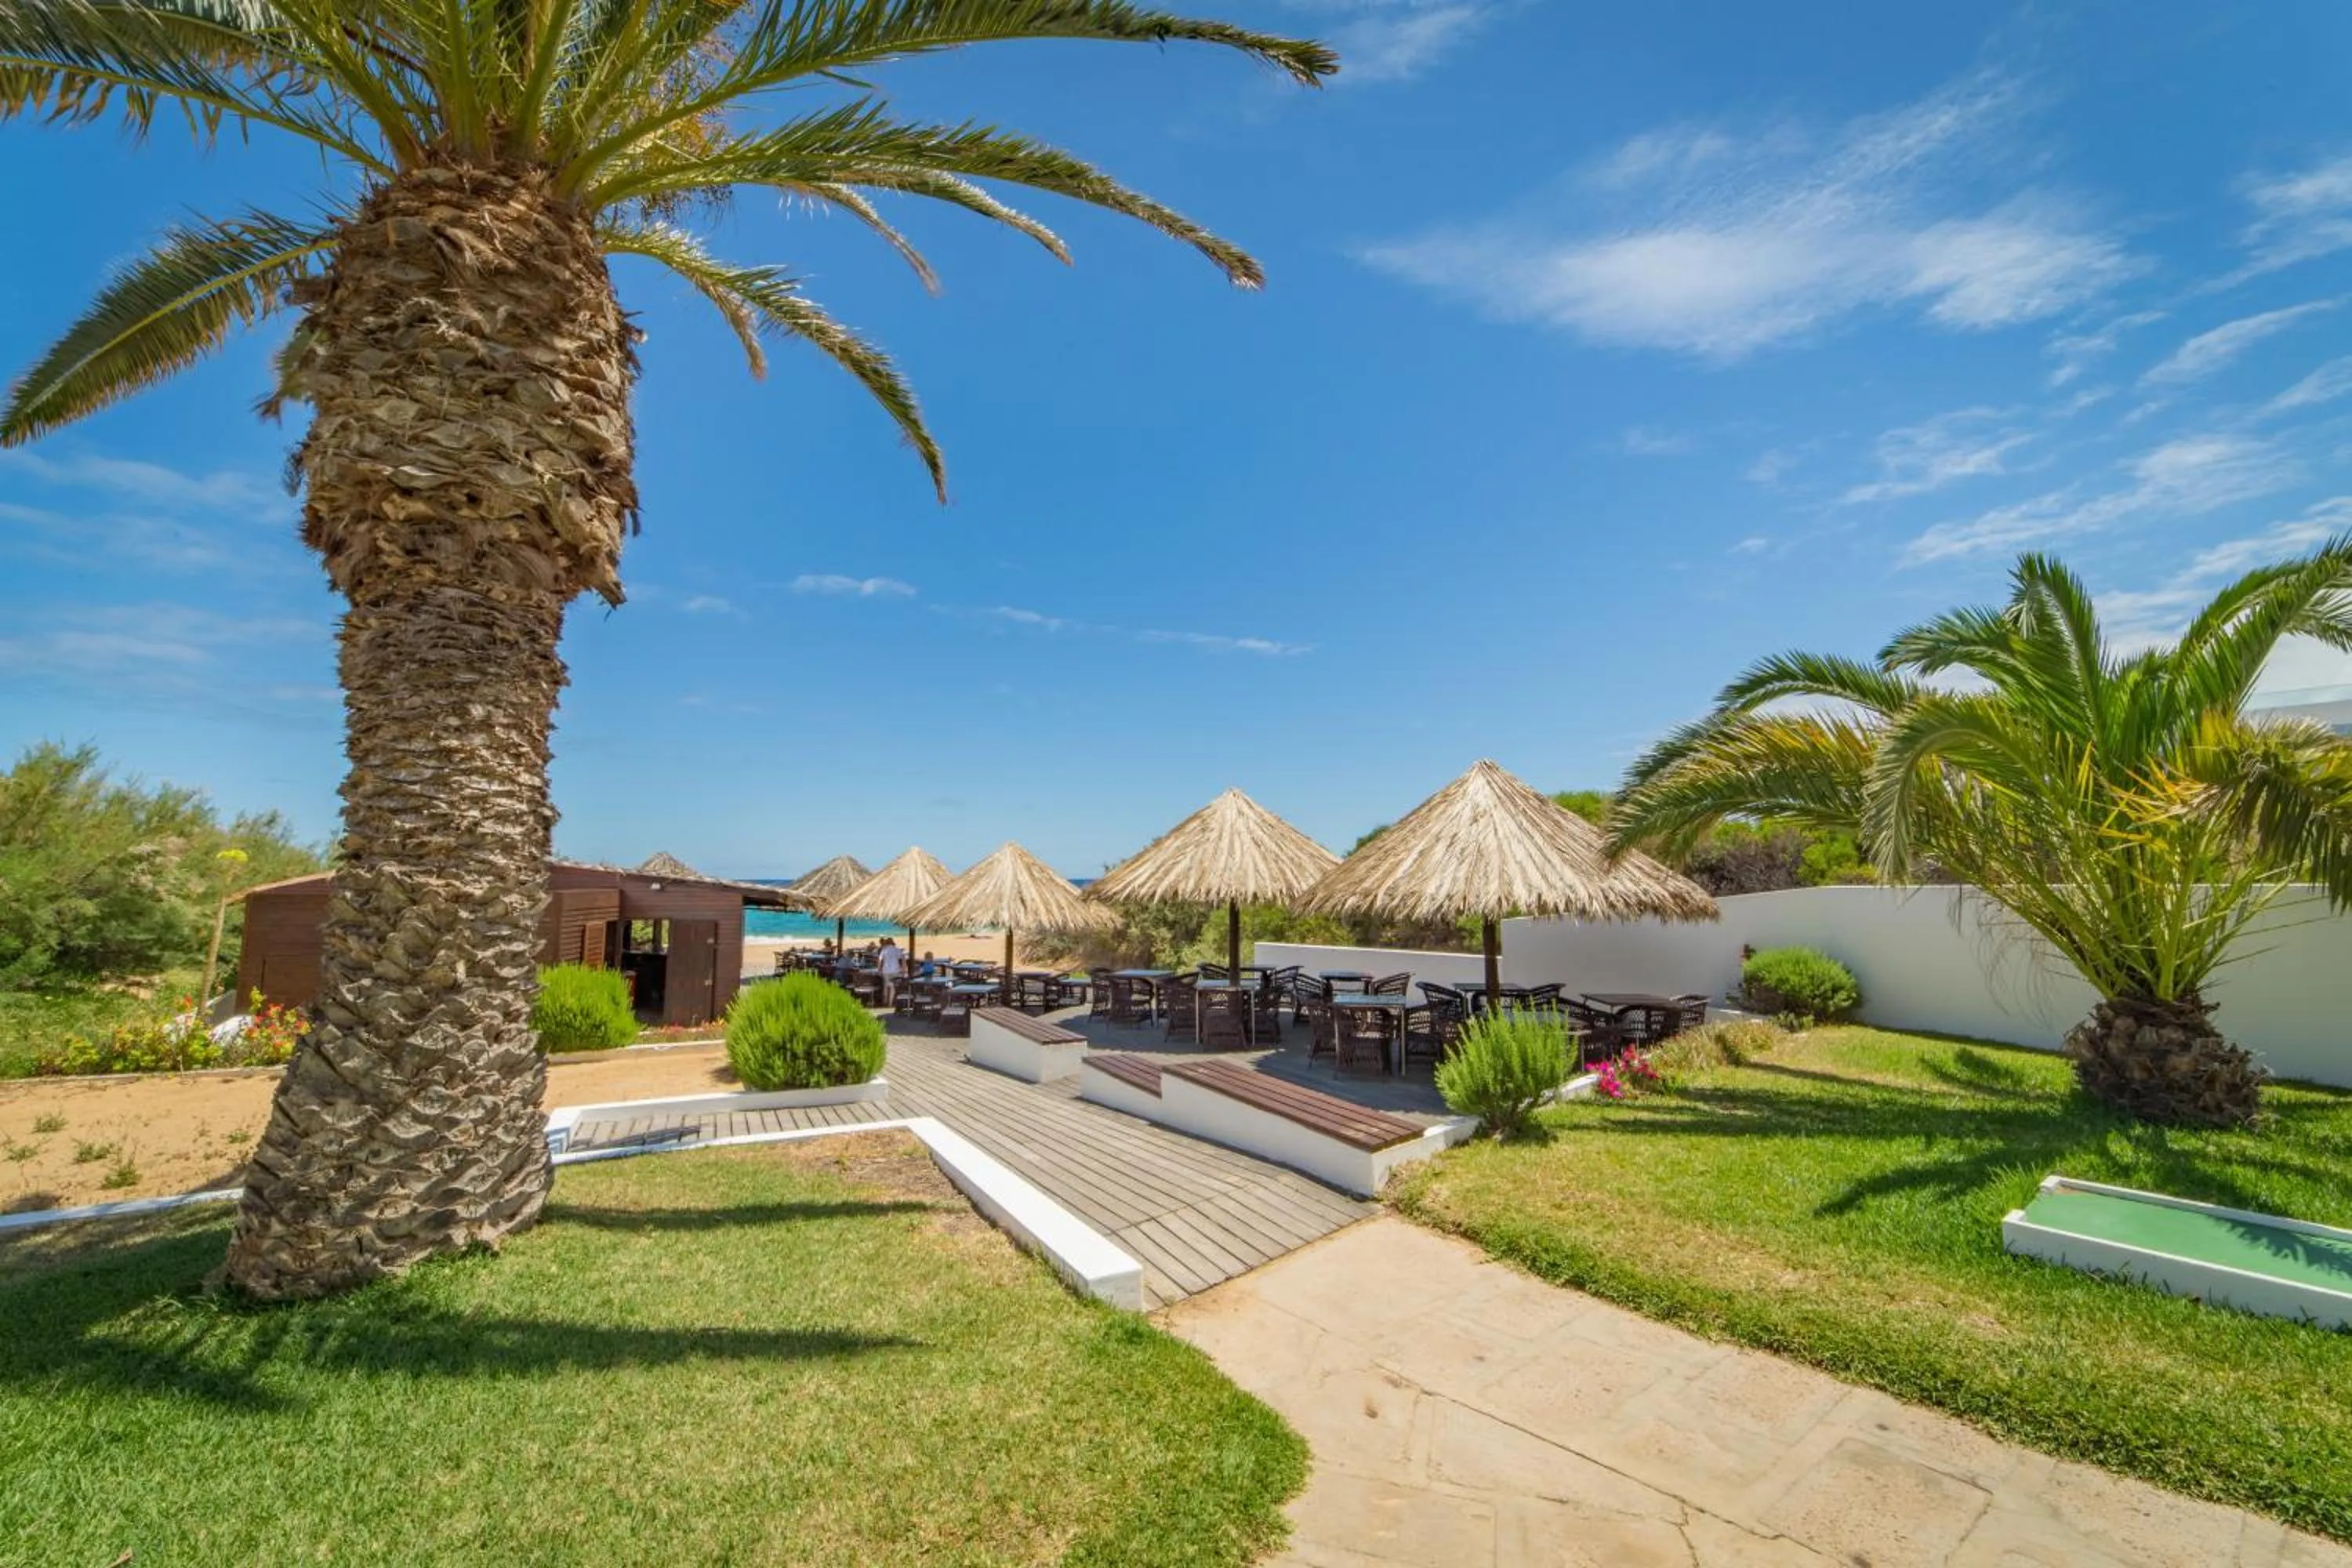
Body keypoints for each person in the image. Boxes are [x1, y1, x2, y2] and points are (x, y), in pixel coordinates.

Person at [876, 936, 905, 1004]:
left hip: (885, 970)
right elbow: (903, 959)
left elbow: (880, 960)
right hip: (895, 970)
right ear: (893, 943)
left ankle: (885, 1001)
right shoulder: (897, 950)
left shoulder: (884, 950)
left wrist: (879, 969)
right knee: (892, 987)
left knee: (886, 986)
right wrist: (903, 969)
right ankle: (890, 1003)